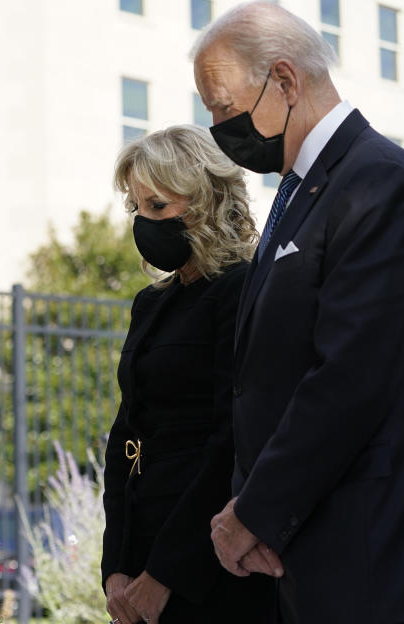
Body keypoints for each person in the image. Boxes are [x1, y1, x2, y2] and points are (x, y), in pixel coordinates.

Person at [192, 1, 404, 624]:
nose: (216, 126)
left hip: (371, 553)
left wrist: (253, 515)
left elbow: (349, 379)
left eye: (221, 106)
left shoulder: (380, 183)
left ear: (286, 82)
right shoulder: (306, 190)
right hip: (313, 550)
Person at [102, 125, 275, 624]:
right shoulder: (152, 301)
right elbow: (125, 433)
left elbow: (232, 442)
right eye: (137, 208)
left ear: (206, 201)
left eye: (158, 206)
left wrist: (166, 575)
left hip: (207, 562)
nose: (144, 222)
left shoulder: (242, 289)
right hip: (139, 549)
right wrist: (116, 564)